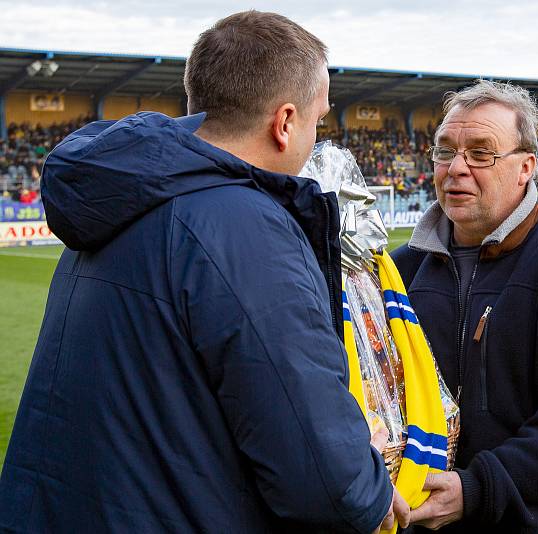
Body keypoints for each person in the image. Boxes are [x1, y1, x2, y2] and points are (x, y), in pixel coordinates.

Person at [0, 11, 409, 533]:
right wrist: (366, 482)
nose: (316, 136)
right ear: (284, 123)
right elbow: (323, 481)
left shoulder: (122, 196)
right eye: (318, 119)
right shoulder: (245, 227)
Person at [392, 80, 538, 533]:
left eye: (481, 152)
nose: (457, 167)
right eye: (446, 151)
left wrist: (481, 489)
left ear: (526, 167)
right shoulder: (400, 271)